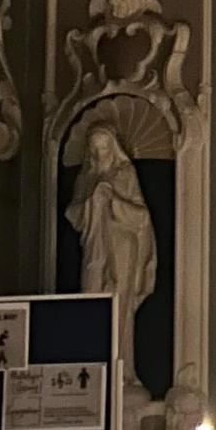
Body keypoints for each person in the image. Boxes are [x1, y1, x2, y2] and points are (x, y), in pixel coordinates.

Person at [66, 126, 157, 390]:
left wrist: (113, 200)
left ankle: (124, 370)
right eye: (94, 148)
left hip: (122, 248)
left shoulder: (124, 174)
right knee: (91, 300)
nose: (99, 153)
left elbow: (141, 216)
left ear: (112, 147)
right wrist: (91, 201)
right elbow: (73, 215)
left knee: (121, 309)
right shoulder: (85, 178)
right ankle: (94, 369)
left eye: (104, 147)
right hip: (95, 248)